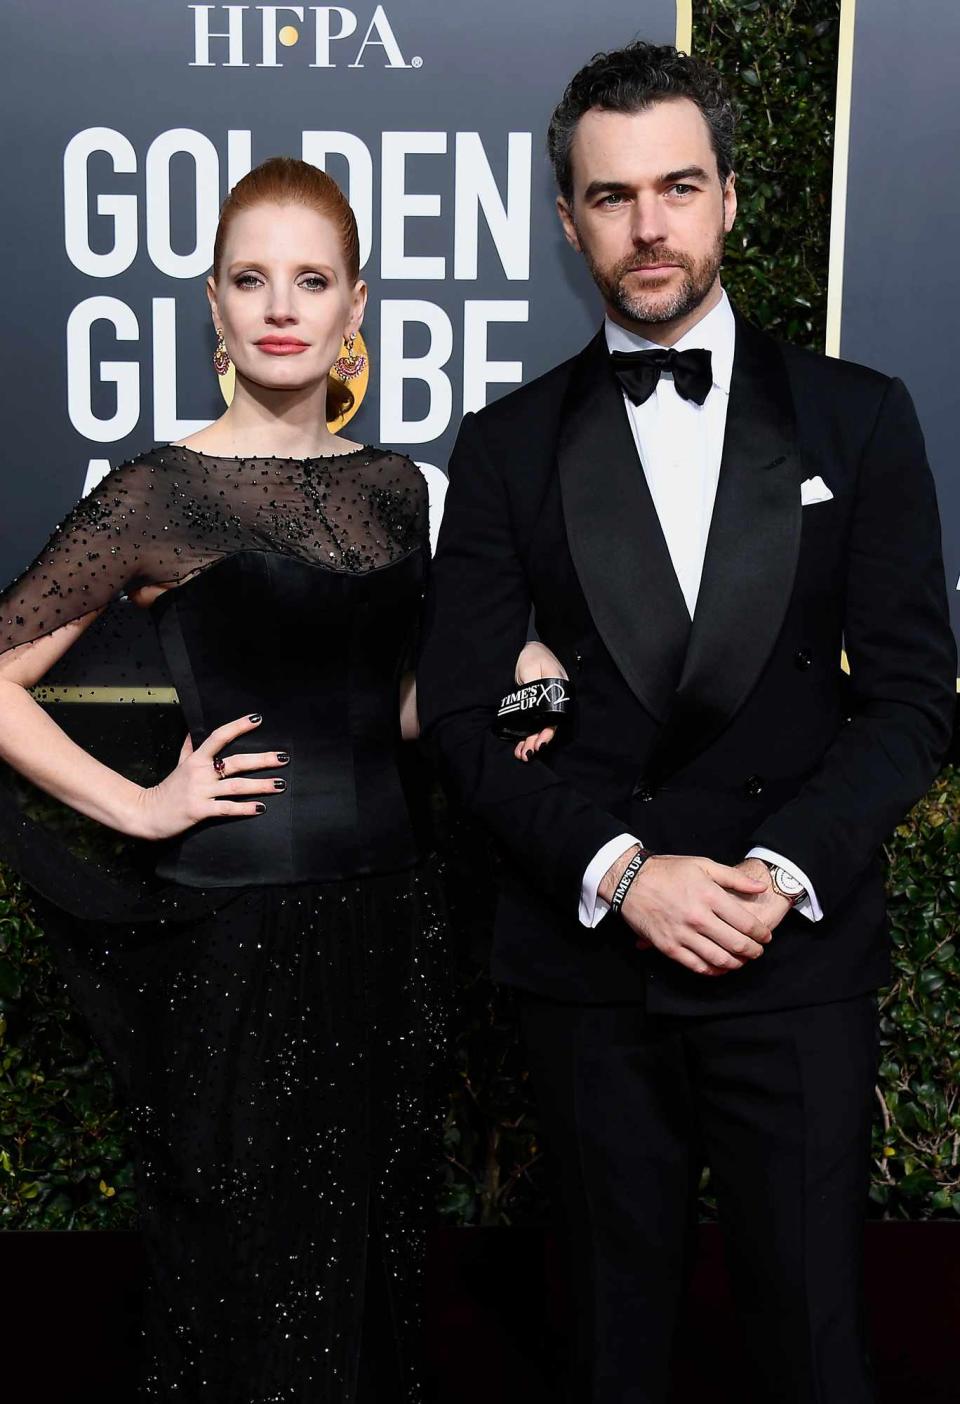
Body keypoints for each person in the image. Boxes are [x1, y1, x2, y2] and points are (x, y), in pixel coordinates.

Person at [418, 41, 957, 1404]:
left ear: (726, 198)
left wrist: (779, 875)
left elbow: (909, 700)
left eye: (676, 188)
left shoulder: (860, 417)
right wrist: (621, 874)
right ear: (567, 221)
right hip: (592, 967)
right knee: (608, 1352)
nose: (648, 227)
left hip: (794, 958)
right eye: (611, 197)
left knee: (816, 1348)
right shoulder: (504, 446)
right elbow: (477, 733)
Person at [0, 155, 554, 1402]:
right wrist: (142, 803)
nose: (281, 305)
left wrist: (515, 689)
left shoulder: (412, 491)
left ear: (358, 304)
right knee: (239, 1255)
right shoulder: (154, 493)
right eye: (252, 279)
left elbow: (408, 711)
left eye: (312, 279)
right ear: (214, 303)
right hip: (231, 938)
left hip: (392, 926)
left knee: (370, 1253)